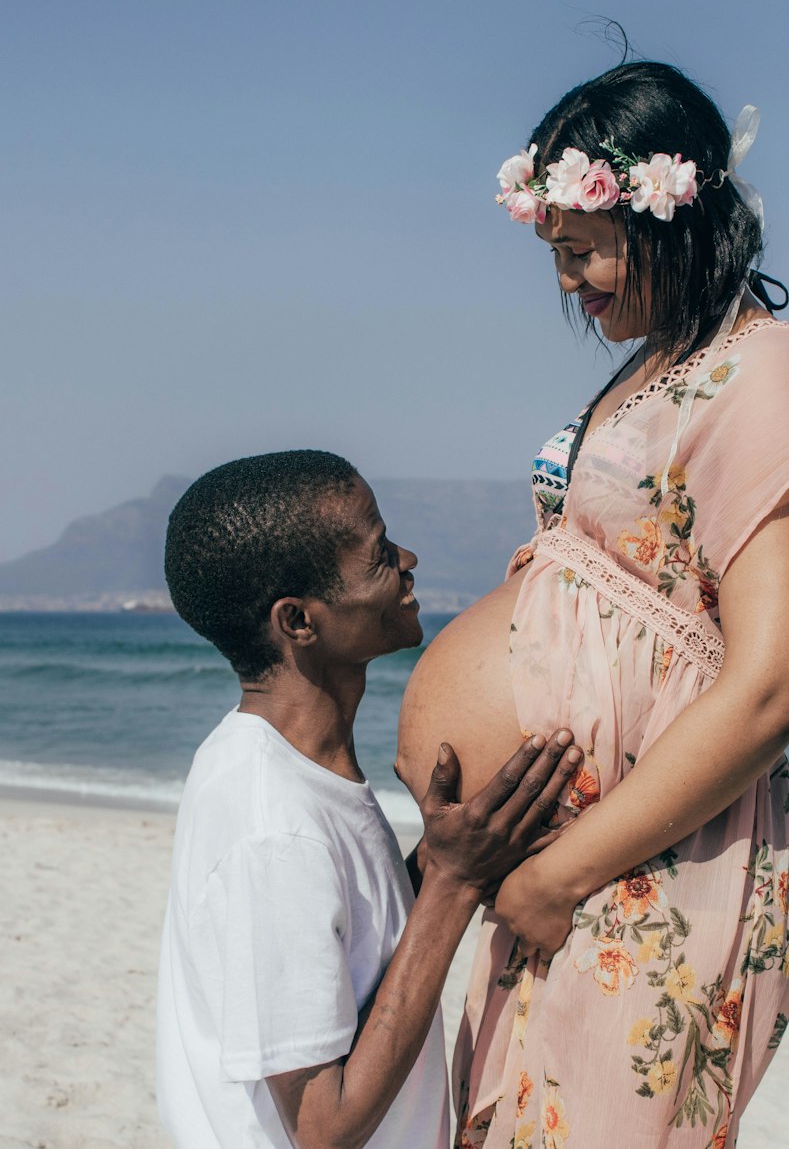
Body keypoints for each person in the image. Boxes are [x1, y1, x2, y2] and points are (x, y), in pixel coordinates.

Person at [395, 61, 789, 1148]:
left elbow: (773, 683)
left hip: (646, 854)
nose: (567, 284)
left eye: (579, 252)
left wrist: (560, 866)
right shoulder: (652, 366)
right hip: (578, 862)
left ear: (662, 216)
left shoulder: (765, 370)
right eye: (553, 256)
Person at [155, 449, 582, 1149]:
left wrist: (440, 859)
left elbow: (352, 964)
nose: (408, 560)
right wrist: (452, 881)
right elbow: (324, 1127)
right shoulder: (273, 827)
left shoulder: (288, 771)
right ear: (298, 621)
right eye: (380, 554)